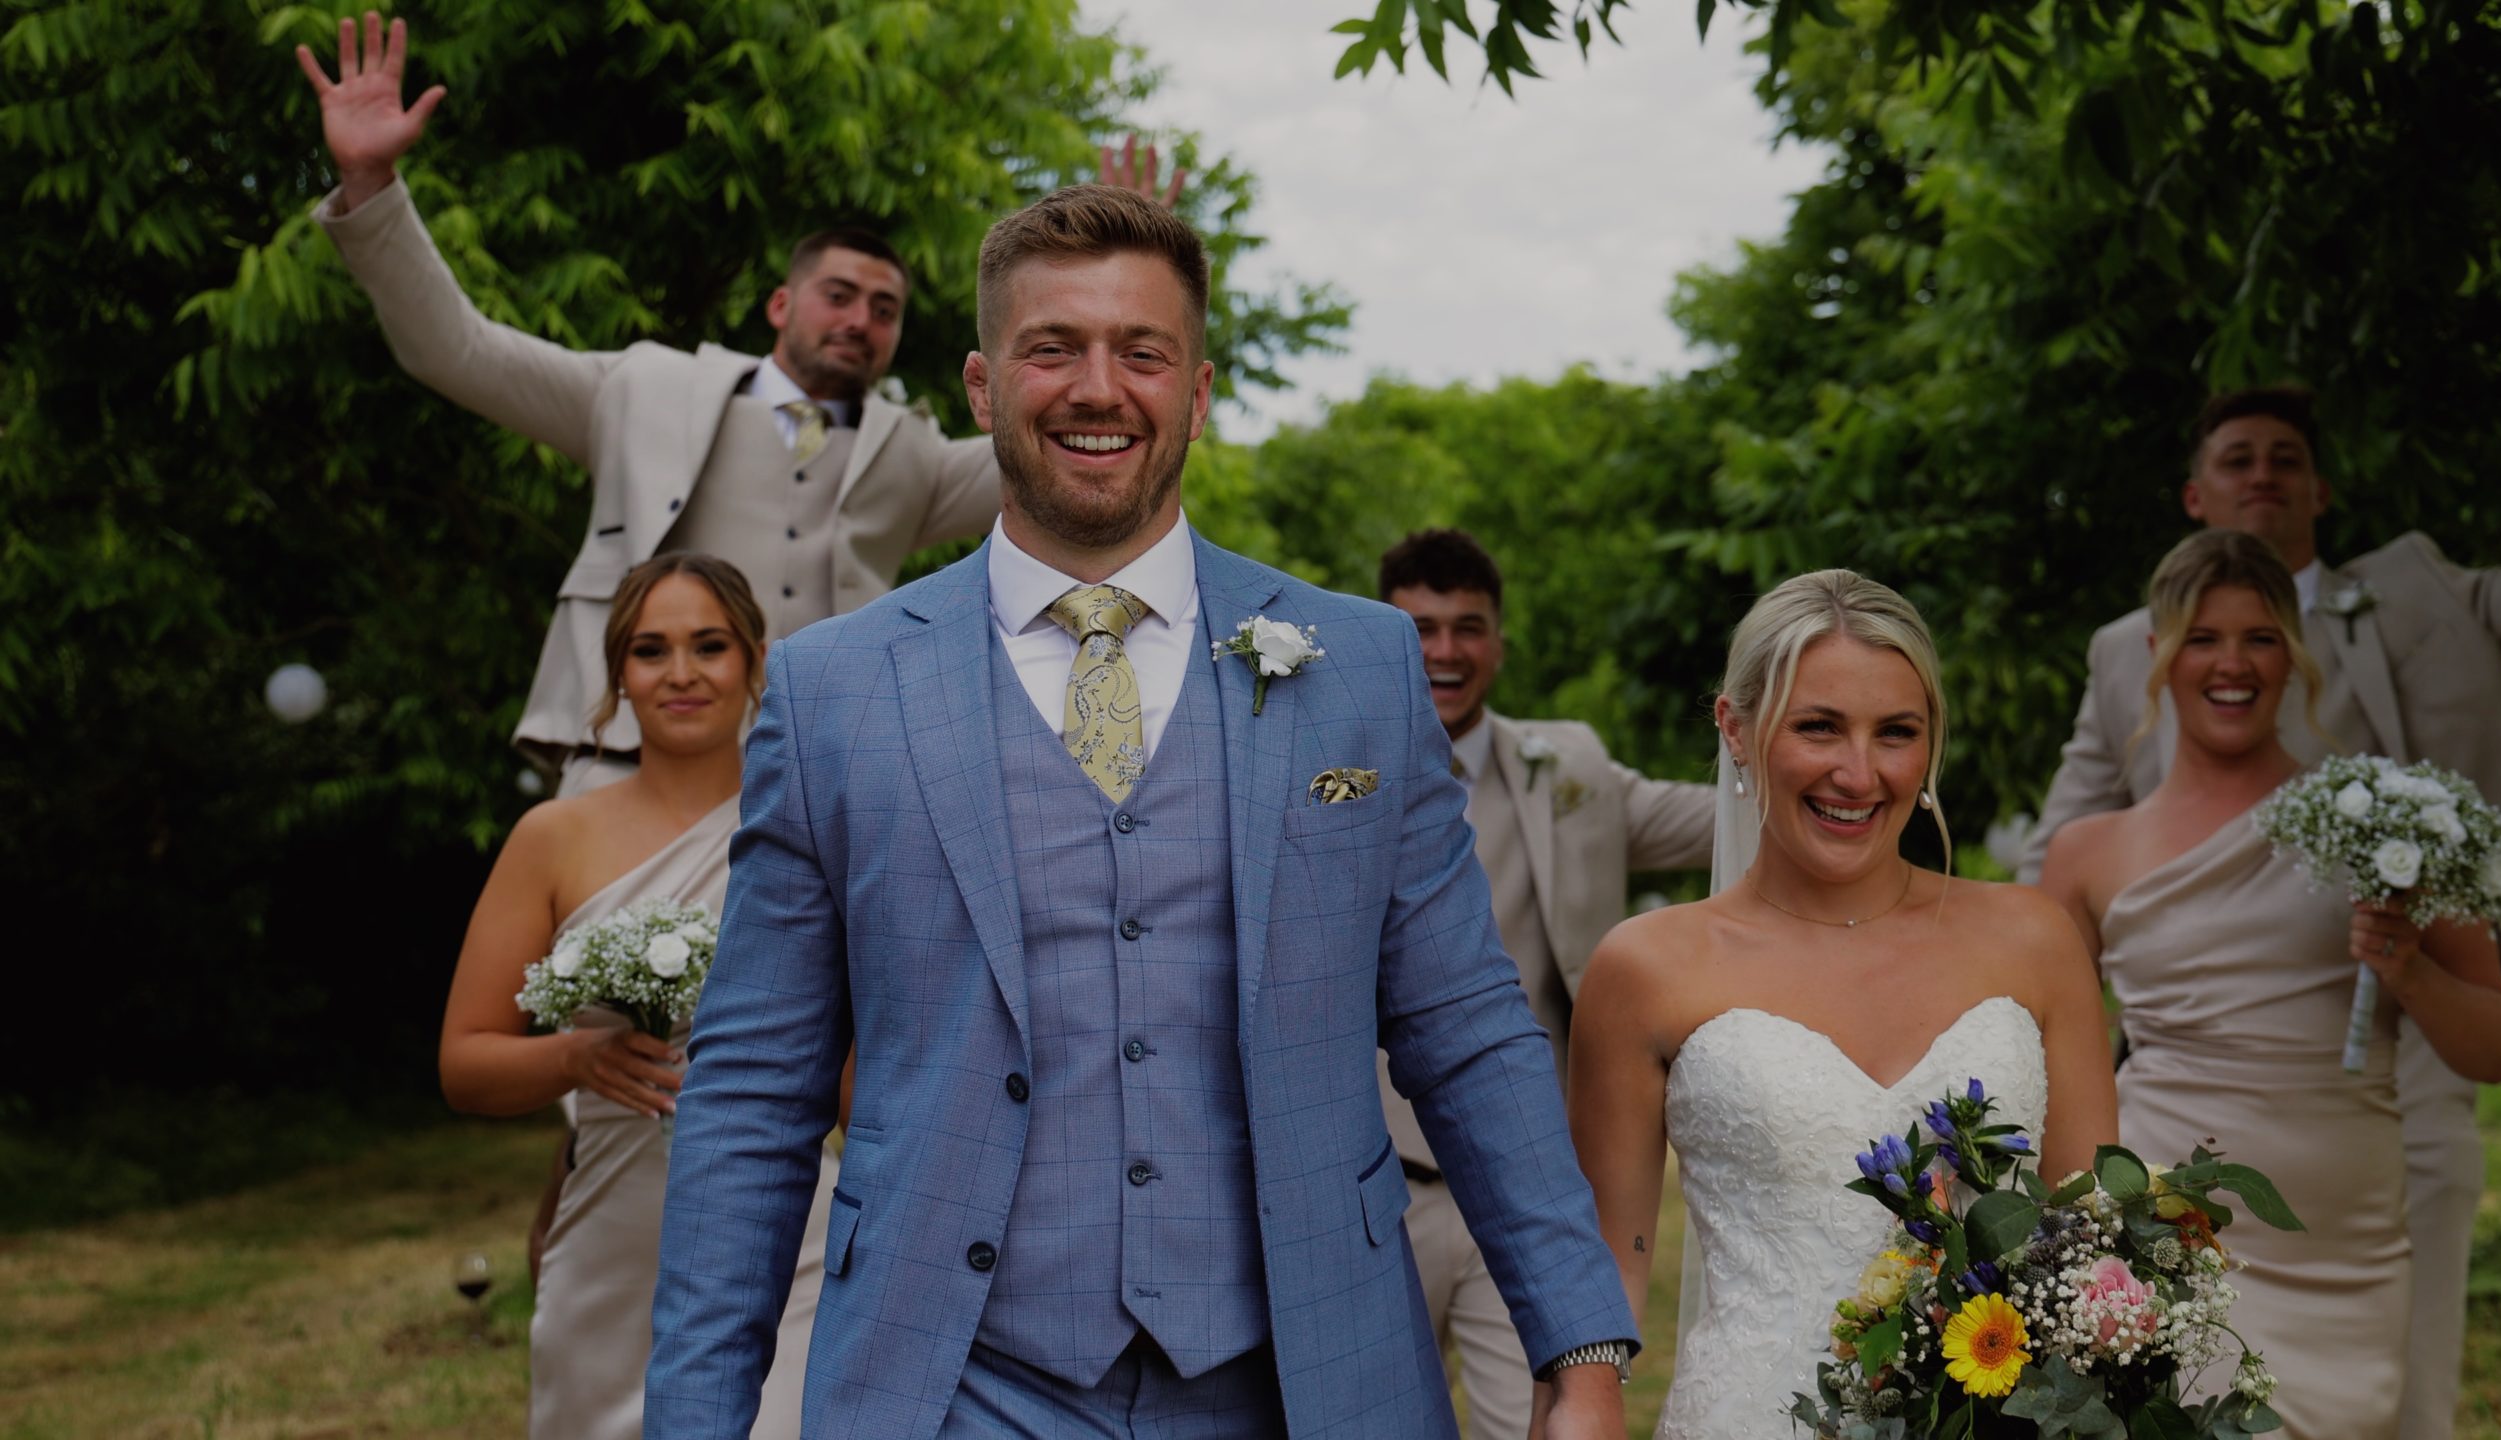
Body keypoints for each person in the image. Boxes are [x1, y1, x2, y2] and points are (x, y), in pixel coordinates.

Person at [644, 184, 1636, 1440]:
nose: (1097, 388)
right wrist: (694, 1419)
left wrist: (1582, 1346)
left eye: (1142, 352)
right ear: (981, 387)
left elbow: (1464, 1024)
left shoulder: (1360, 665)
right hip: (950, 1386)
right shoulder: (836, 689)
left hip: (1305, 1378)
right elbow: (754, 1089)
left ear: (1201, 392)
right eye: (1051, 348)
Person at [295, 14, 1175, 796]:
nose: (860, 320)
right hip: (628, 761)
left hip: (826, 781)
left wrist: (1121, 272)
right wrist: (373, 189)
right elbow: (456, 348)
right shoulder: (642, 391)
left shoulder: (909, 455)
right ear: (781, 307)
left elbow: (1078, 432)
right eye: (838, 295)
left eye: (885, 309)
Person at [2018, 386, 2501, 1440]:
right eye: (2202, 640)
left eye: (2260, 639)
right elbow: (2030, 1028)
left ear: (2292, 654)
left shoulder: (2399, 821)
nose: (2231, 663)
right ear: (2158, 656)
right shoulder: (2090, 853)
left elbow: (2492, 1047)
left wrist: (2405, 964)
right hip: (2168, 1224)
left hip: (2349, 1244)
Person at [1568, 569, 2116, 1440]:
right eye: (1819, 726)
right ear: (1736, 730)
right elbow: (1603, 1269)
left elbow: (2096, 1241)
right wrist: (1576, 1404)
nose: (1858, 773)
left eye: (1896, 733)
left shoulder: (2034, 939)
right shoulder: (1646, 968)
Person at [440, 553, 838, 1439]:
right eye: (653, 651)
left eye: (710, 645)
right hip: (611, 1238)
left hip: (788, 1230)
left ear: (754, 662)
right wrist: (577, 1055)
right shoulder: (552, 837)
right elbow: (465, 1065)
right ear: (619, 673)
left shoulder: (807, 824)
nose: (684, 673)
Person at [1374, 527, 1717, 1438]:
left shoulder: (1573, 771)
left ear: (1499, 642)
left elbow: (1722, 818)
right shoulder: (1330, 774)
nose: (1444, 652)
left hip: (1520, 1186)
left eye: (1467, 627)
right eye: (1417, 629)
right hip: (1369, 1194)